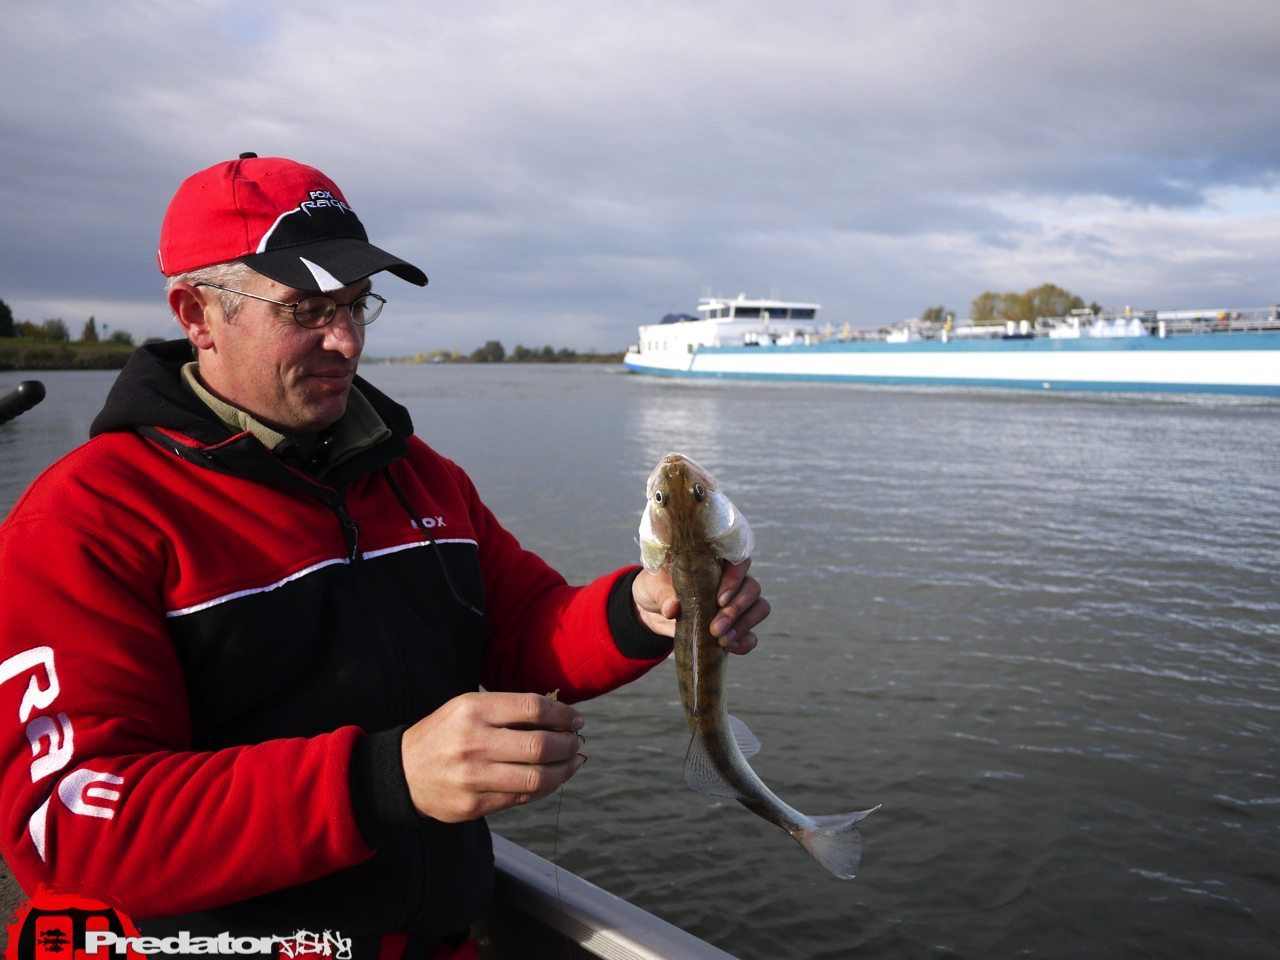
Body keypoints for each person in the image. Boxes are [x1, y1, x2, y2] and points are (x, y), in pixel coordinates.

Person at [0, 154, 769, 958]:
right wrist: (381, 781)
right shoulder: (85, 520)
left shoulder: (417, 474)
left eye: (357, 303)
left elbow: (524, 629)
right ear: (198, 314)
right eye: (305, 308)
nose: (345, 339)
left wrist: (645, 609)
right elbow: (68, 828)